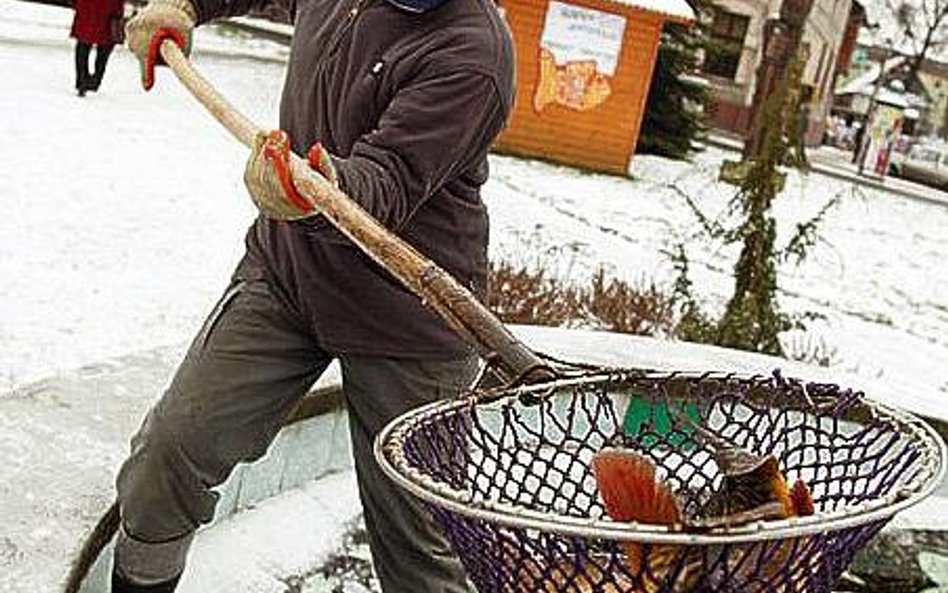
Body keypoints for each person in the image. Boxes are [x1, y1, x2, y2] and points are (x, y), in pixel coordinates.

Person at [112, 0, 515, 591]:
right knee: (167, 457)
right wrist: (188, 6)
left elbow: (388, 180)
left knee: (420, 550)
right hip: (289, 276)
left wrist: (319, 191)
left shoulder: (472, 54)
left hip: (409, 316)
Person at [70, 0, 125, 96]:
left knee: (83, 43)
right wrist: (119, 11)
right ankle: (96, 80)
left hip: (86, 7)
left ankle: (82, 81)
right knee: (105, 47)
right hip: (109, 9)